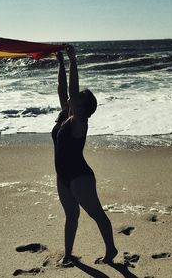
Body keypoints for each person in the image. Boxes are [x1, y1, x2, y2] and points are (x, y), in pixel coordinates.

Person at [52, 45, 118, 266]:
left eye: (78, 98)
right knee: (71, 216)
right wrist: (60, 62)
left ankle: (111, 251)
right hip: (63, 176)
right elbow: (63, 90)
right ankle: (69, 255)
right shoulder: (65, 115)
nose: (73, 98)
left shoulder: (80, 123)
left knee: (97, 214)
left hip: (80, 177)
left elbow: (71, 90)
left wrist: (73, 59)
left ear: (83, 107)